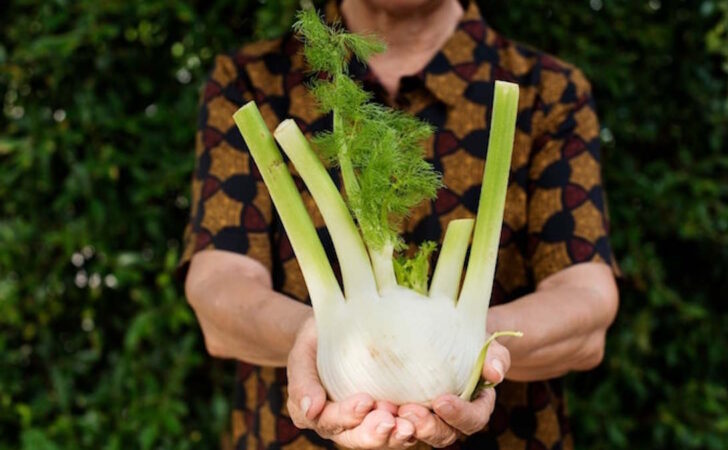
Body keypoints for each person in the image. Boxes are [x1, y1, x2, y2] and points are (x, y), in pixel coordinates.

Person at [180, 0, 620, 448]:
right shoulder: (250, 80)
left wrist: (479, 342)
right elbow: (219, 284)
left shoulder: (547, 90)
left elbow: (587, 300)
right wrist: (314, 333)